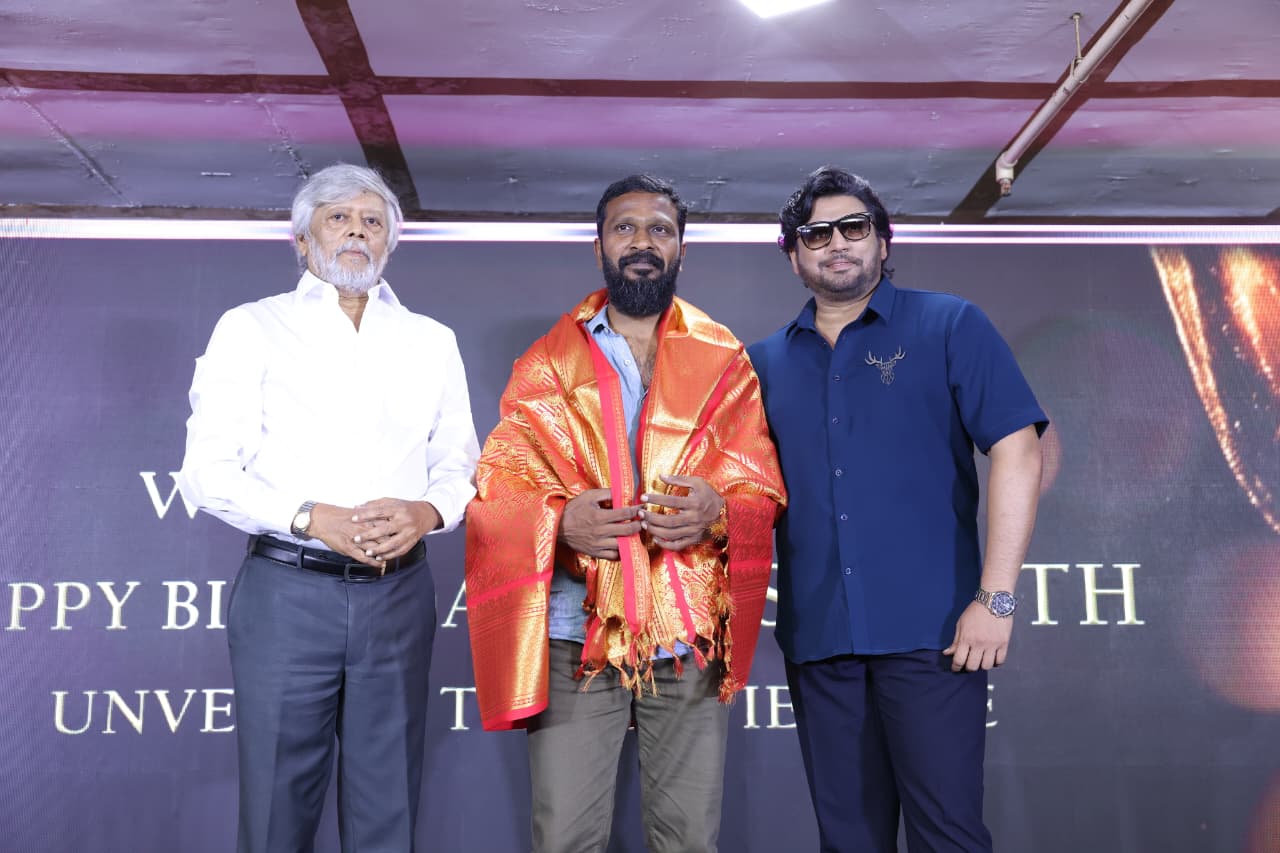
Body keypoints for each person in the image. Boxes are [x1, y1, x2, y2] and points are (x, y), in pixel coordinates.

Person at [464, 174, 786, 852]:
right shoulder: (548, 362)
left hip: (686, 634)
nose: (643, 242)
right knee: (566, 838)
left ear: (681, 250)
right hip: (576, 631)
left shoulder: (723, 356)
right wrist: (560, 520)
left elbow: (758, 485)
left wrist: (717, 510)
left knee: (688, 839)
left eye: (660, 229)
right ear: (599, 247)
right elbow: (500, 484)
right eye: (625, 228)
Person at [176, 163, 480, 853]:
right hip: (287, 592)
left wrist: (428, 513)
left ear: (390, 242)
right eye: (338, 218)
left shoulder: (431, 339)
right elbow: (207, 472)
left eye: (372, 221)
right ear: (301, 238)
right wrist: (312, 517)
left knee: (388, 808)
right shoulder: (251, 327)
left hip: (397, 592)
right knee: (276, 813)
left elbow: (459, 463)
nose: (356, 232)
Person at [748, 166, 1047, 853]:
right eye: (815, 234)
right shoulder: (761, 364)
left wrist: (996, 598)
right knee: (848, 841)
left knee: (948, 836)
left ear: (883, 242)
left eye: (853, 227)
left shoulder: (949, 324)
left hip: (934, 636)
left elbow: (1019, 450)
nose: (836, 243)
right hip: (820, 641)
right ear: (793, 256)